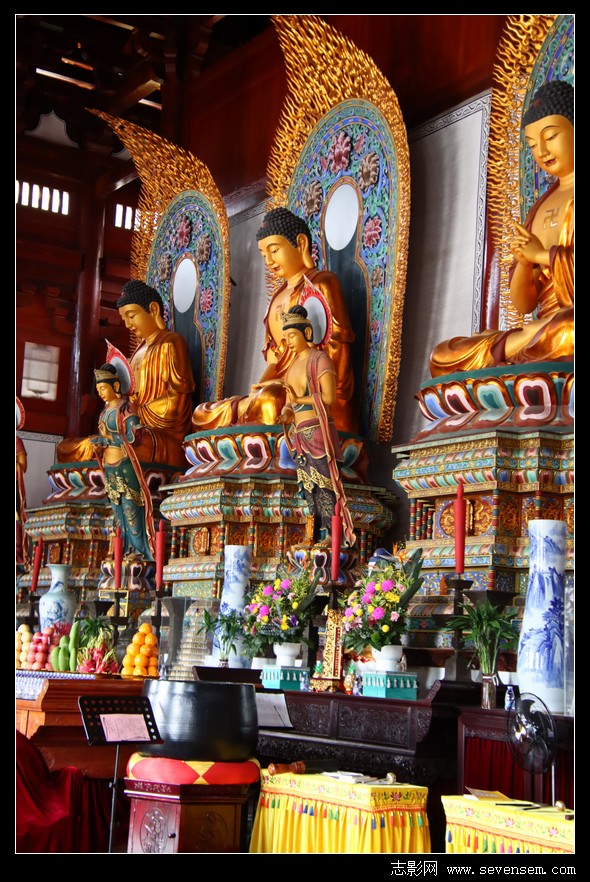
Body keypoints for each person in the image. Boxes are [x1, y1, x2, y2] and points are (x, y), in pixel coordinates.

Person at [429, 79, 573, 376]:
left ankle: (518, 354)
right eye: (533, 145)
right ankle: (520, 350)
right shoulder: (539, 207)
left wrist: (540, 255)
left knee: (567, 328)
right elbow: (523, 304)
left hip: (565, 327)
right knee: (443, 356)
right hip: (542, 330)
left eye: (551, 136)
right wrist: (524, 263)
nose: (542, 151)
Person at [192, 207, 358, 434]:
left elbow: (337, 356)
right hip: (280, 389)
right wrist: (258, 389)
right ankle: (251, 425)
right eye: (264, 255)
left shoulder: (322, 284)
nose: (269, 261)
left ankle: (254, 429)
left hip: (314, 399)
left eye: (274, 250)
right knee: (202, 413)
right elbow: (275, 361)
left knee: (270, 400)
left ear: (300, 244)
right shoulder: (276, 299)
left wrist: (290, 388)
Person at [57, 280, 195, 469]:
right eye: (124, 319)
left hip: (159, 437)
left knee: (128, 443)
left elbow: (176, 408)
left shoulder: (170, 344)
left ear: (153, 310)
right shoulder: (136, 353)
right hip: (127, 431)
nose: (128, 324)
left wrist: (131, 411)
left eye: (131, 316)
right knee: (67, 449)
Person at [277, 305, 355, 547]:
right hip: (299, 435)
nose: (289, 342)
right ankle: (312, 533)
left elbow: (329, 398)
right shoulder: (291, 367)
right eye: (286, 337)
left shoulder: (320, 360)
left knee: (324, 485)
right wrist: (286, 413)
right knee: (307, 486)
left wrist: (299, 399)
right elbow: (290, 403)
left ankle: (331, 534)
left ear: (307, 333)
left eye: (292, 336)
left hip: (318, 431)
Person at [91, 363, 156, 561]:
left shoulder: (126, 408)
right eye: (98, 390)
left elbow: (134, 435)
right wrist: (98, 446)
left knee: (130, 507)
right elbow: (102, 438)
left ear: (116, 386)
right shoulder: (103, 413)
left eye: (103, 388)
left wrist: (118, 436)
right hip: (109, 465)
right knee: (117, 510)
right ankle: (122, 549)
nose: (101, 393)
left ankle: (138, 550)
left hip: (125, 463)